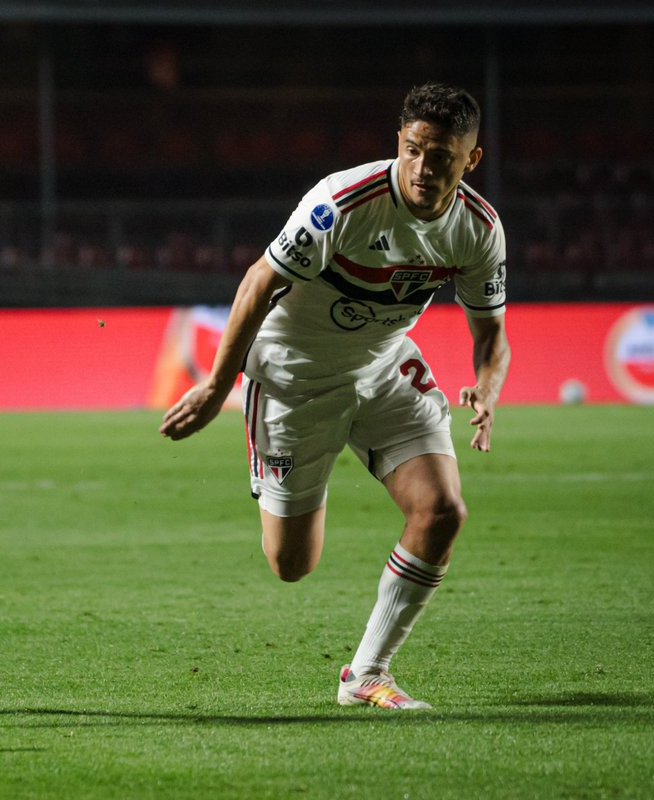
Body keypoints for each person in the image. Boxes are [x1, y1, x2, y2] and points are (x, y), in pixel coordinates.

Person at [159, 83, 510, 710]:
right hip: (296, 374)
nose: (424, 169)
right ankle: (284, 460)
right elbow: (257, 283)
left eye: (443, 158)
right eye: (413, 151)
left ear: (471, 159)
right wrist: (218, 385)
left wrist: (487, 386)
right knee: (292, 564)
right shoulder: (343, 202)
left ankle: (367, 675)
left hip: (383, 366)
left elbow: (492, 336)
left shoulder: (478, 229)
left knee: (443, 512)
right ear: (399, 143)